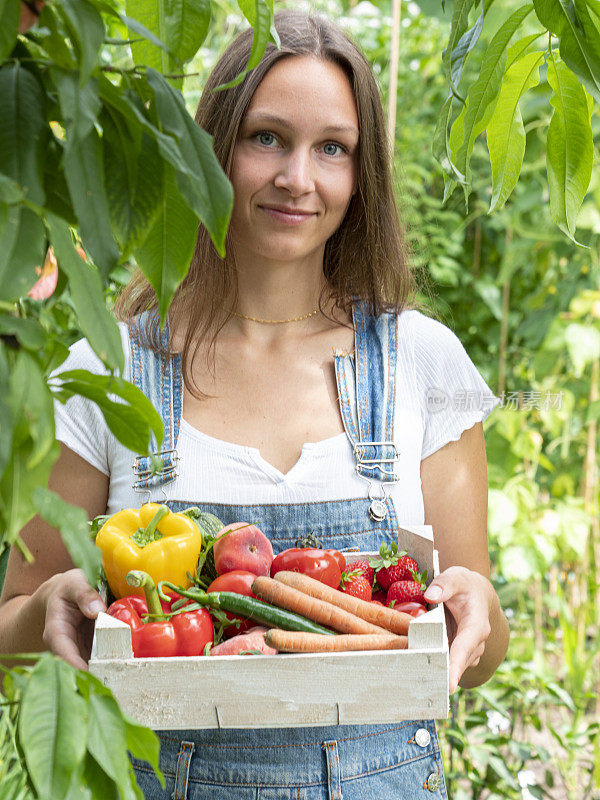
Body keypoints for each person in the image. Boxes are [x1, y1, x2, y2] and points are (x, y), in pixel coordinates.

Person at [0, 10, 509, 799]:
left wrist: (478, 604)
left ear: (359, 174)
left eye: (331, 148)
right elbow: (11, 644)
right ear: (213, 147)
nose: (296, 178)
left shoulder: (422, 362)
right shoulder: (110, 369)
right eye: (266, 137)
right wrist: (49, 608)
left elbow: (475, 652)